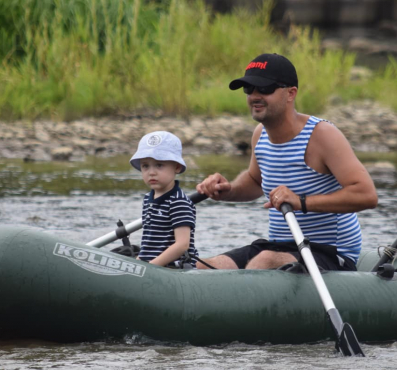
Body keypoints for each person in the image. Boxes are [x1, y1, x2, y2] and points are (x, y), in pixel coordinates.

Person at [196, 53, 378, 271]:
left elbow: (367, 195)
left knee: (264, 261)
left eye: (264, 89)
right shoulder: (260, 134)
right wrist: (228, 190)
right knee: (205, 266)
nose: (255, 96)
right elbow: (255, 181)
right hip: (280, 246)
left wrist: (301, 201)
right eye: (249, 89)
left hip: (330, 252)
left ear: (291, 93)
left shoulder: (322, 135)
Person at [130, 131, 199, 268]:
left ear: (177, 167)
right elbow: (148, 242)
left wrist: (151, 267)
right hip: (151, 266)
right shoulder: (147, 199)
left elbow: (182, 244)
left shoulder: (178, 202)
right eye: (145, 166)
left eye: (159, 165)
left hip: (173, 269)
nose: (151, 172)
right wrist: (137, 262)